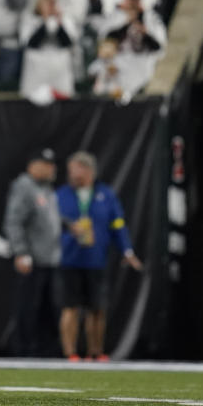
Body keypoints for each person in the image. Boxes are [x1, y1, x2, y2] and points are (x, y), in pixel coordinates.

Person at [56, 152, 143, 361]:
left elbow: (118, 224)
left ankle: (95, 351)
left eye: (76, 170)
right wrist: (69, 228)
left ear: (89, 171)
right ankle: (70, 352)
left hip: (96, 259)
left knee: (97, 308)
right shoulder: (61, 194)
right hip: (70, 259)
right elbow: (50, 223)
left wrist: (127, 250)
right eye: (70, 171)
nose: (72, 175)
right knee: (71, 308)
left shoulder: (106, 194)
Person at [2, 148, 63, 358]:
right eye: (47, 164)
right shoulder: (25, 186)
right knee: (28, 306)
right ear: (33, 165)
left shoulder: (46, 188)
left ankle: (44, 350)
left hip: (50, 259)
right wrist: (21, 252)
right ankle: (24, 350)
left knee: (47, 308)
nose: (52, 168)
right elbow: (14, 222)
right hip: (33, 259)